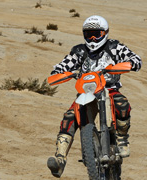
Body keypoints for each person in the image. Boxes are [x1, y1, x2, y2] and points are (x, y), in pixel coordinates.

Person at [47, 15, 142, 178]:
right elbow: (63, 66)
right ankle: (60, 159)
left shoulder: (114, 47)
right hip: (86, 92)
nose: (92, 38)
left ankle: (122, 138)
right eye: (88, 34)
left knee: (122, 104)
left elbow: (135, 59)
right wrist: (60, 72)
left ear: (105, 33)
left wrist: (130, 64)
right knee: (69, 117)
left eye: (96, 34)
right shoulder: (79, 51)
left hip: (109, 89)